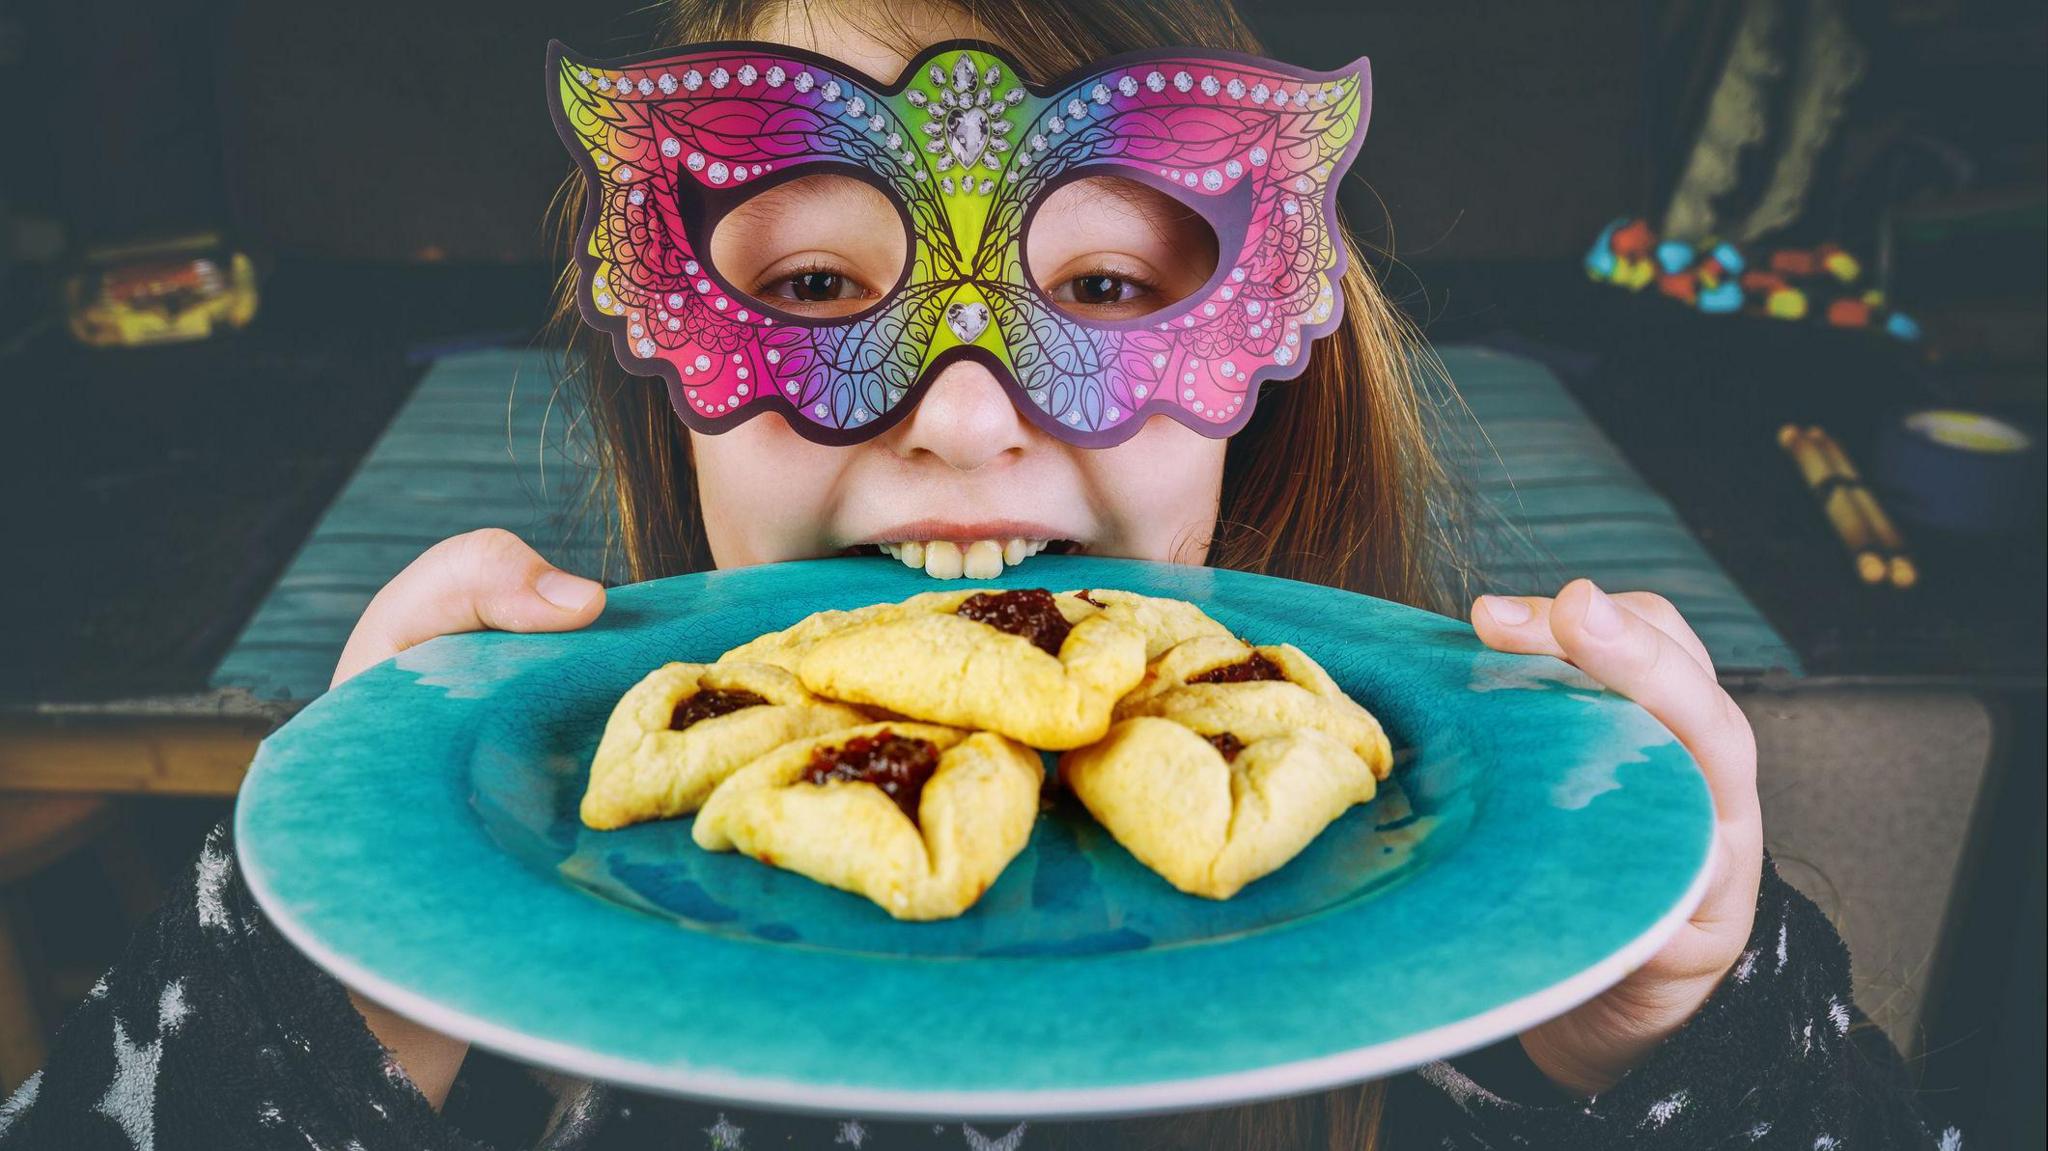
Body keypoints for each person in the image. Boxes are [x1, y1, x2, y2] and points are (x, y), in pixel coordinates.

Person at [0, 1, 1967, 1148]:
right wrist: (320, 996)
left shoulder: (1466, 915)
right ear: (663, 370)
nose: (955, 423)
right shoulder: (487, 935)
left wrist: (1687, 1035)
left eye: (1105, 289)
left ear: (1265, 381)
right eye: (815, 289)